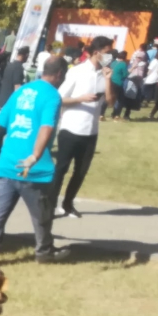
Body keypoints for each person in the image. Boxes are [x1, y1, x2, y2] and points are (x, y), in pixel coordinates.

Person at [0, 55, 70, 264]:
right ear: (59, 74)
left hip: (7, 163)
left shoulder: (22, 91)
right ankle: (44, 253)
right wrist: (35, 156)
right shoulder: (52, 96)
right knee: (41, 215)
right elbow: (46, 127)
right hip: (32, 169)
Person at [52, 36, 114, 218]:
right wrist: (80, 99)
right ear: (97, 53)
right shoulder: (77, 72)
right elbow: (58, 98)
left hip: (91, 131)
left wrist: (108, 80)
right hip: (71, 128)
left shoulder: (105, 73)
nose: (110, 56)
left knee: (81, 171)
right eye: (108, 53)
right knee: (61, 169)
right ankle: (50, 205)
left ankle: (68, 204)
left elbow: (110, 103)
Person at [109, 50, 129, 120]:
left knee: (110, 98)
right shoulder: (123, 64)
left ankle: (101, 114)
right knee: (120, 100)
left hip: (110, 81)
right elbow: (125, 75)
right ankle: (116, 114)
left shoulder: (113, 62)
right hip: (118, 83)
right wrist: (130, 71)